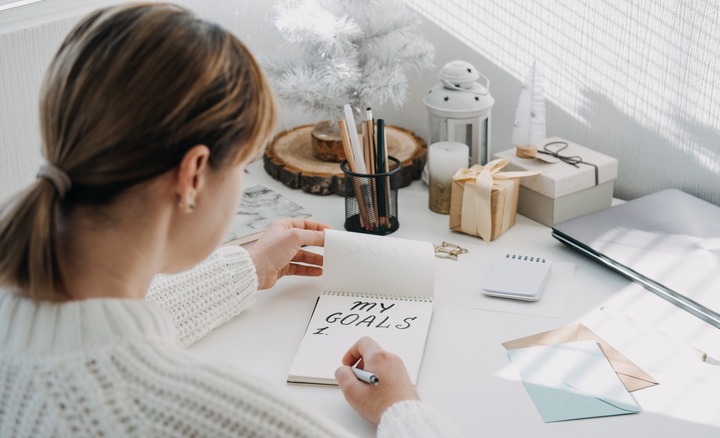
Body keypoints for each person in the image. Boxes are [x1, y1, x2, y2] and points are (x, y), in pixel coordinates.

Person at [0, 3, 462, 437]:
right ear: (194, 174)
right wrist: (401, 407)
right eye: (243, 165)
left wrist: (247, 267)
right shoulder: (203, 414)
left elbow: (96, 332)